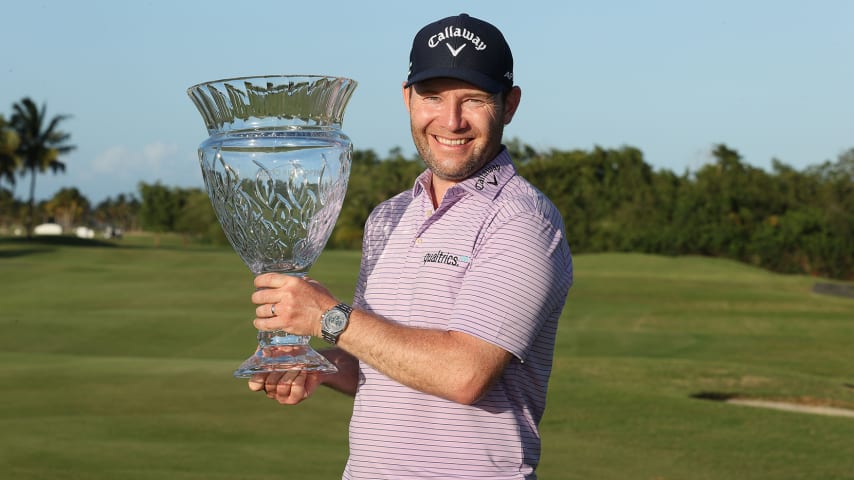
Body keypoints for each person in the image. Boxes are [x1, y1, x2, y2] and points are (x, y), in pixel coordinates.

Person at [248, 13, 573, 480]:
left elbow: (464, 374)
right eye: (433, 97)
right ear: (408, 99)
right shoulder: (389, 216)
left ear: (510, 104)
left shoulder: (523, 220)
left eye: (474, 99)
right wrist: (319, 364)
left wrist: (327, 318)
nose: (451, 120)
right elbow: (381, 363)